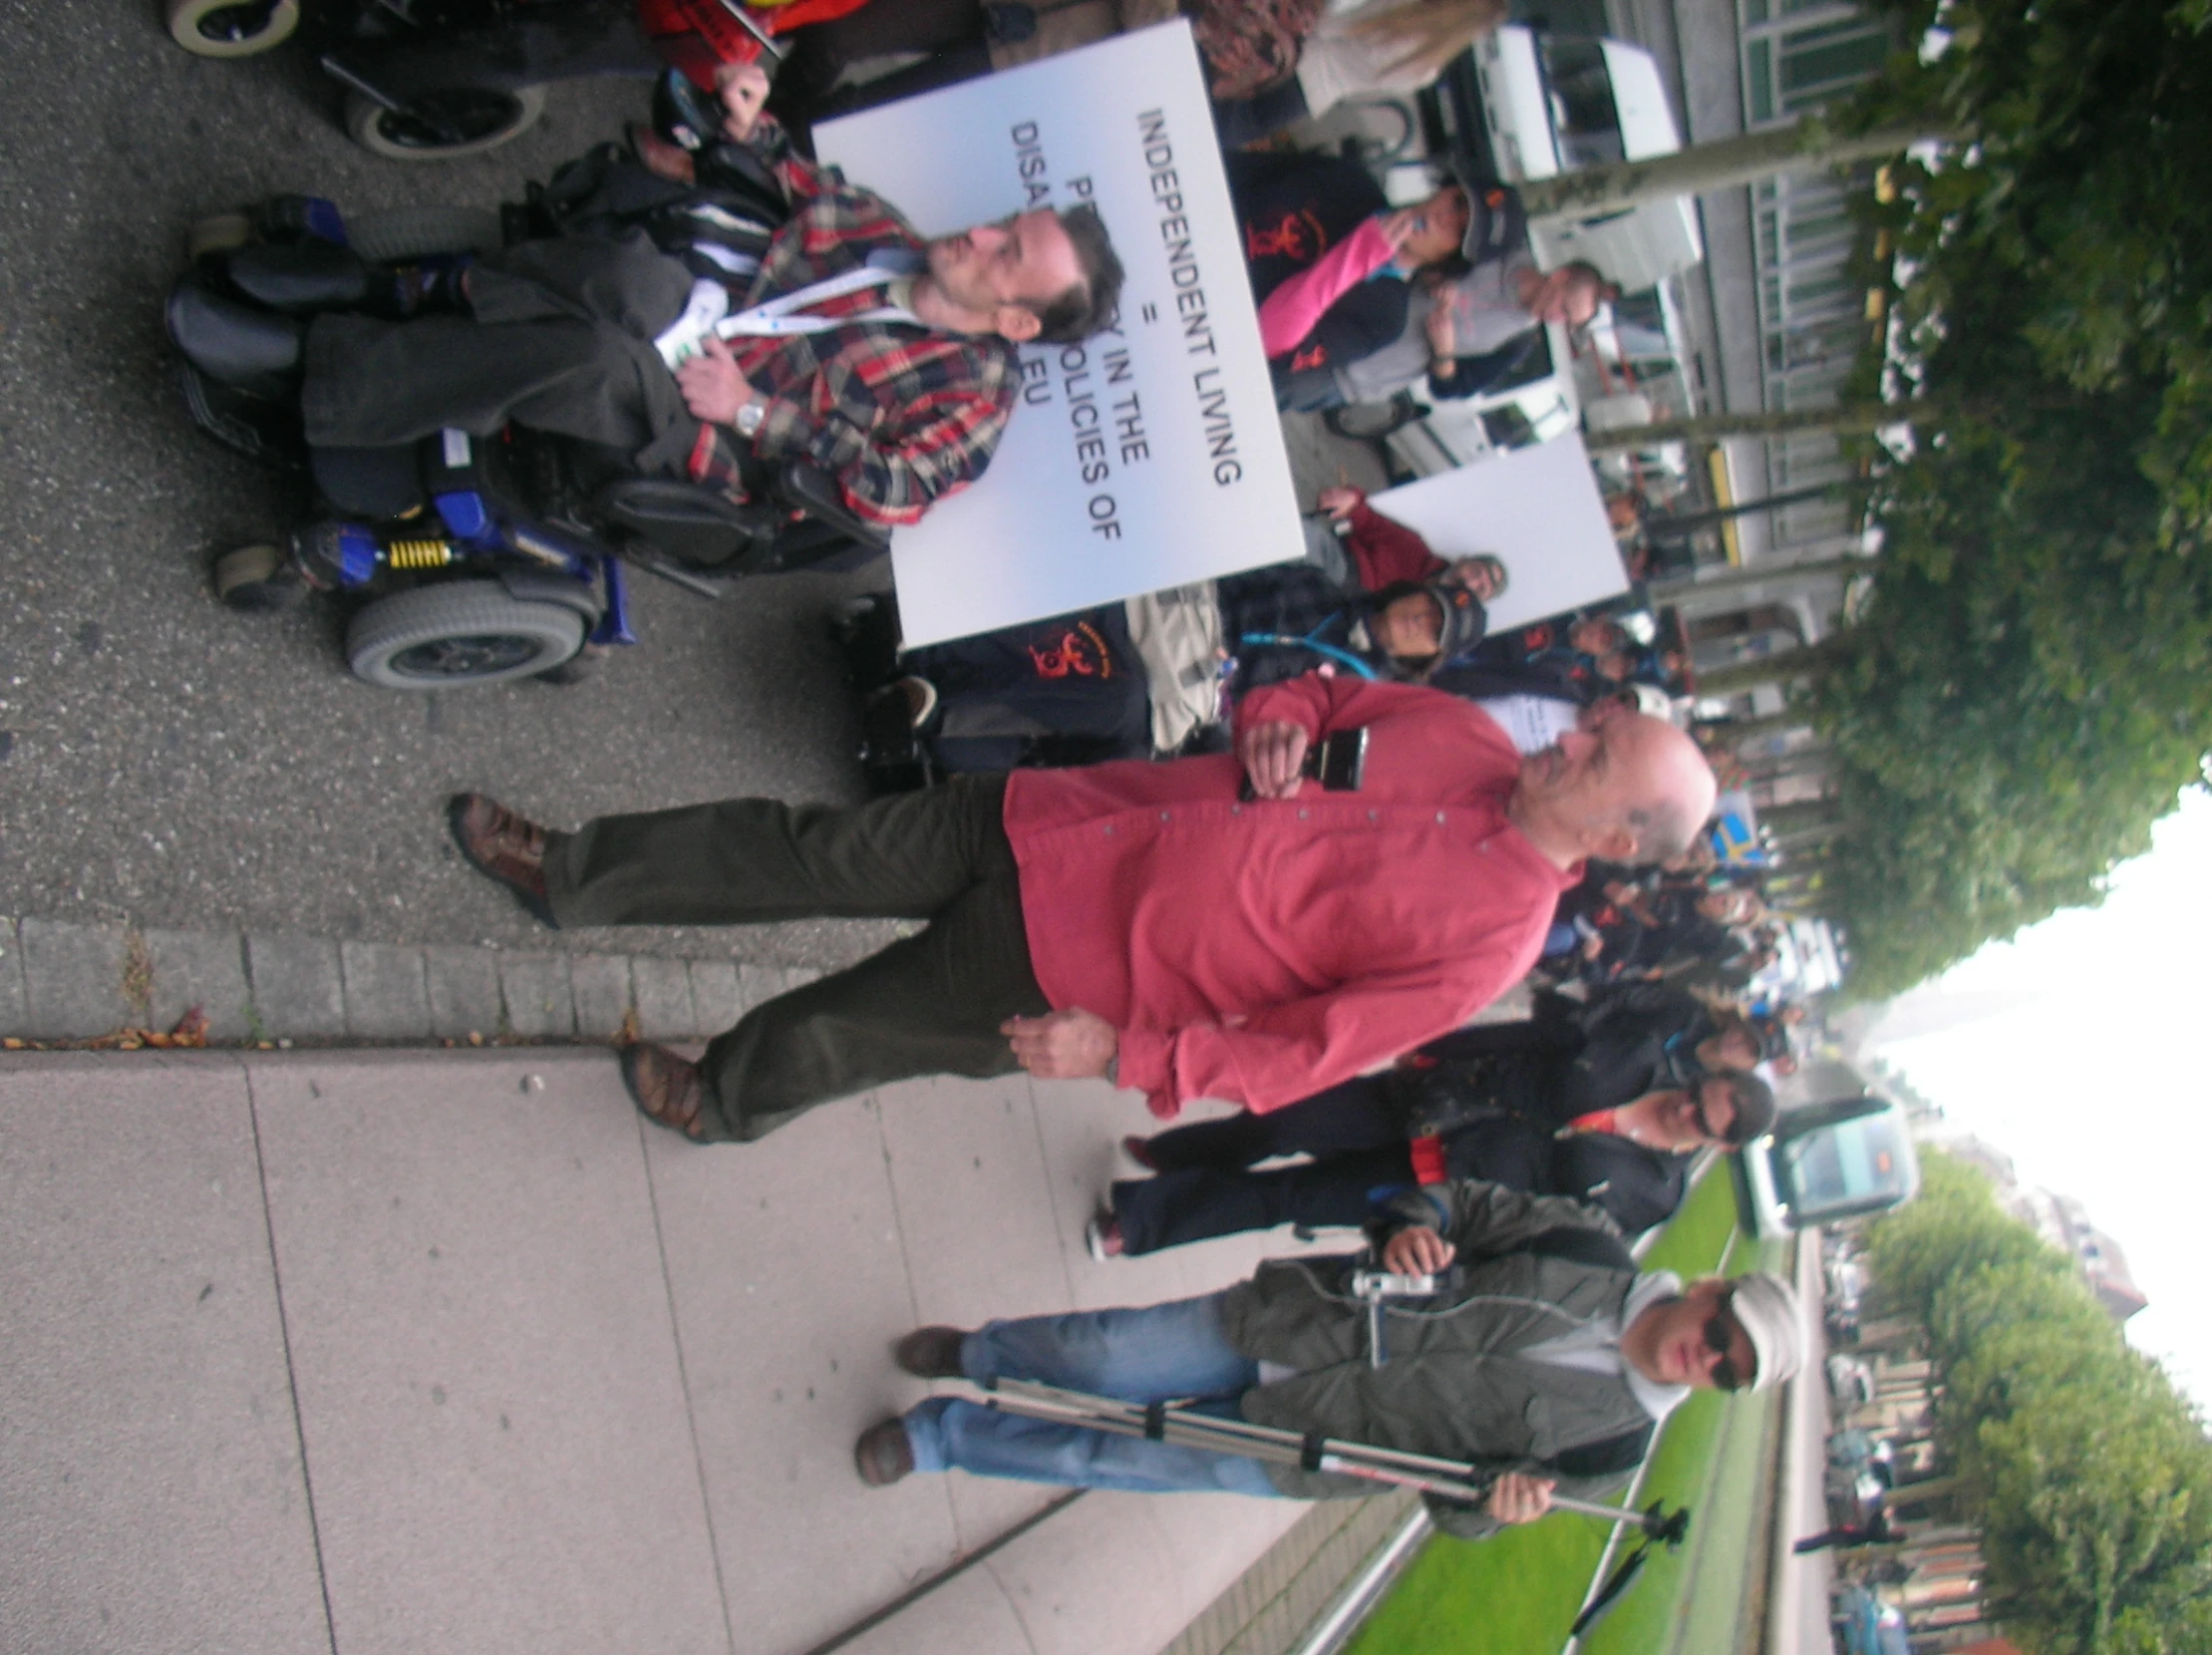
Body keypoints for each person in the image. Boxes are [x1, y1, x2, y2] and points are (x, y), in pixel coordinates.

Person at [446, 671, 1719, 1144]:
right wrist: (1276, 715)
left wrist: (1129, 1056)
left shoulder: (1490, 944)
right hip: (1062, 817)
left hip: (1077, 970)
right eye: (1599, 722)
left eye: (1598, 757)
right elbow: (1314, 699)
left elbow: (1298, 1055)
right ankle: (571, 873)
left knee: (853, 1027)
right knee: (804, 848)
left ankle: (718, 1099)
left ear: (1612, 839)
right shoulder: (1467, 731)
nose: (1572, 739)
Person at [170, 79, 1123, 527]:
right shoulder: (887, 235)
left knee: (598, 360)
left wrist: (755, 411)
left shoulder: (972, 402)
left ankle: (315, 377)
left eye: (1008, 257)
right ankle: (394, 288)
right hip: (700, 327)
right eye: (1003, 224)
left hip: (718, 437)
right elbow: (791, 174)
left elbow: (893, 491)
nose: (982, 237)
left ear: (1017, 322)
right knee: (628, 272)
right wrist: (746, 124)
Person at [849, 1182, 1803, 1536]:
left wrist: (1495, 1510)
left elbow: (1456, 1506)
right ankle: (979, 1354)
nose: (1704, 1360)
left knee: (1104, 1458)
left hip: (1313, 1448)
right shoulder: (1592, 1247)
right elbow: (1455, 1205)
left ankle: (940, 1440)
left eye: (1725, 1375)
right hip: (1296, 1322)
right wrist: (1411, 1229)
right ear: (1710, 1295)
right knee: (1093, 1356)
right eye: (1720, 1338)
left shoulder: (1613, 1450)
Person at [1093, 1065, 1775, 1256]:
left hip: (1442, 1189)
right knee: (1285, 1120)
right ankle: (1176, 1155)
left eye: (1701, 1120)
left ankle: (1144, 1222)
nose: (1684, 1109)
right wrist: (1444, 1047)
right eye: (1694, 1095)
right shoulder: (1638, 1057)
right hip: (1434, 1105)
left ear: (1721, 1145)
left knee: (1288, 1199)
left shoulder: (1652, 1193)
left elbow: (1563, 1235)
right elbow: (1531, 1041)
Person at [1226, 151, 1478, 412]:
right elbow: (1234, 168)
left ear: (1448, 259)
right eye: (1456, 203)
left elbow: (1266, 339)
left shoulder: (1384, 315)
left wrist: (1355, 258)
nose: (1444, 218)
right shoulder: (1351, 181)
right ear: (1445, 190)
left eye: (1458, 232)